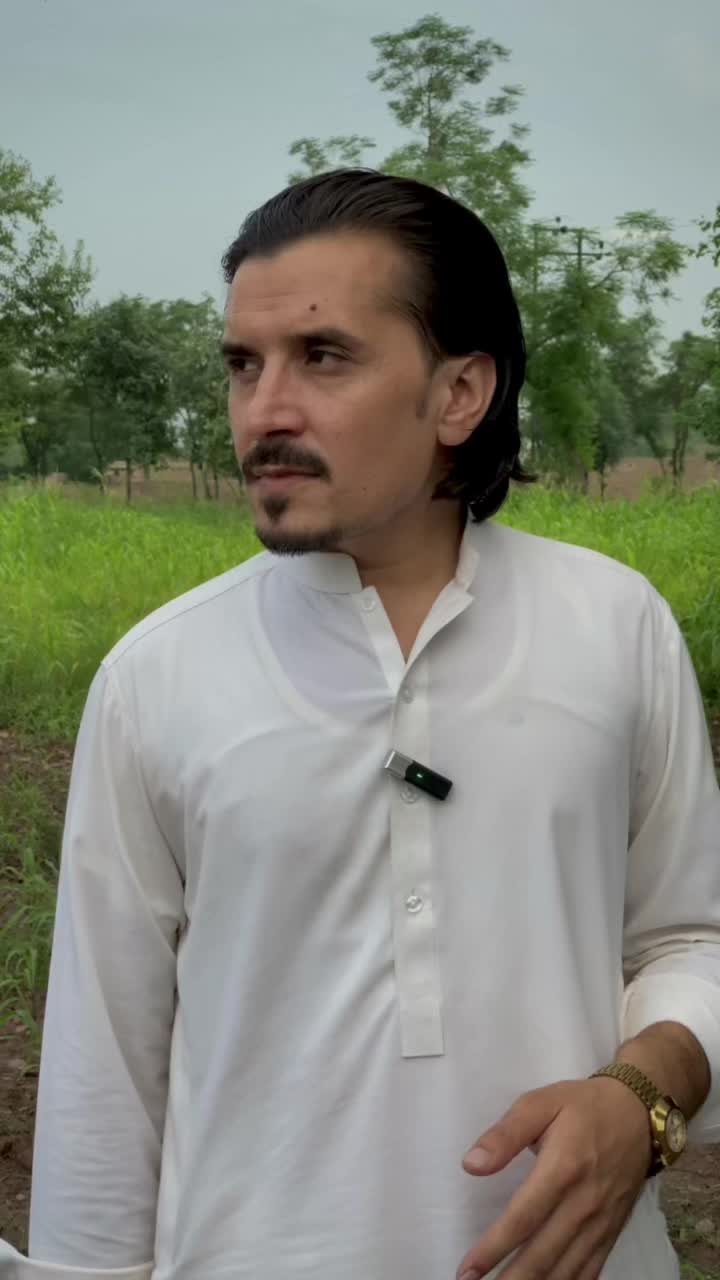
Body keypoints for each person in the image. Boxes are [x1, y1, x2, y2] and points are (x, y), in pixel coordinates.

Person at [1, 169, 718, 1280]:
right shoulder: (158, 674)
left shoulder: (612, 628)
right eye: (244, 365)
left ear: (460, 392)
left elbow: (690, 937)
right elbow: (107, 1062)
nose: (264, 411)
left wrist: (644, 1097)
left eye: (323, 356)